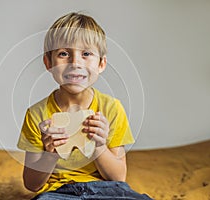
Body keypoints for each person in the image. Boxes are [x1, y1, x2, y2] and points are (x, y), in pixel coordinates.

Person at [18, 12, 152, 200]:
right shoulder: (36, 115)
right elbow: (32, 184)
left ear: (101, 63)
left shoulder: (111, 109)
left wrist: (98, 145)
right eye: (64, 53)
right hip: (59, 193)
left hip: (107, 190)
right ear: (48, 62)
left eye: (86, 54)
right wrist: (50, 154)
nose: (75, 63)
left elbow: (118, 177)